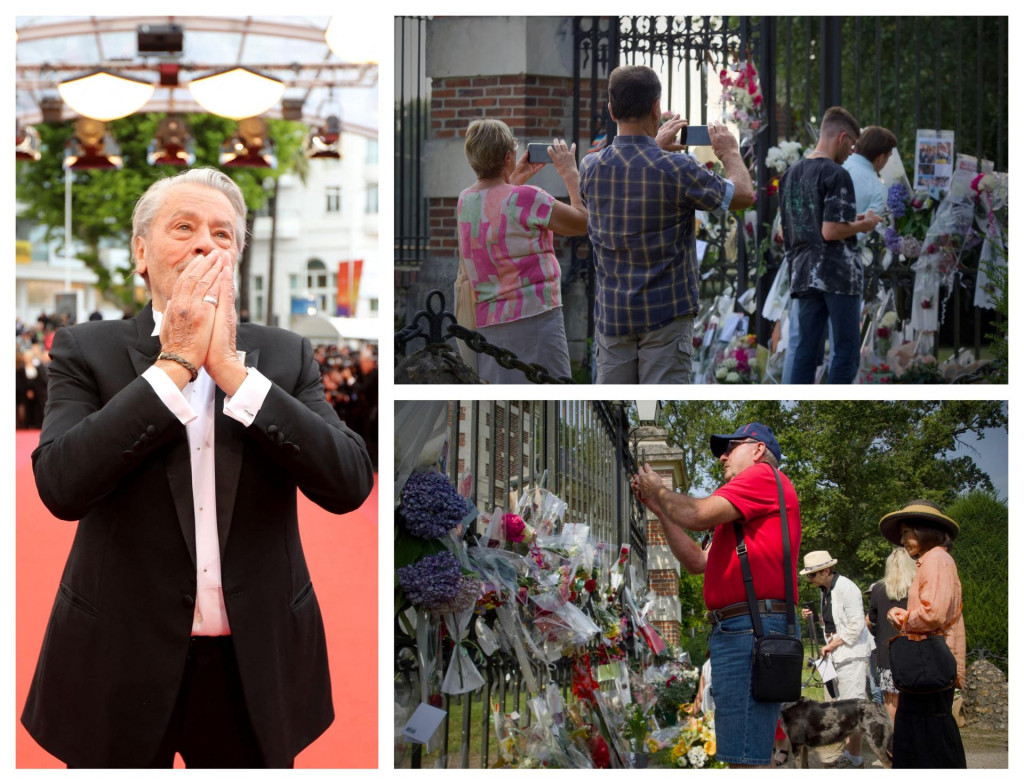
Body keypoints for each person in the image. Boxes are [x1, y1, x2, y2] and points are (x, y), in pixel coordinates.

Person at [22, 167, 375, 768]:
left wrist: (236, 375)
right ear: (141, 252)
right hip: (119, 655)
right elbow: (61, 484)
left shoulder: (285, 354)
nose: (206, 243)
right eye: (183, 227)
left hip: (252, 662)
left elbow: (347, 482)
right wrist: (176, 366)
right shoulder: (86, 350)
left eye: (222, 234)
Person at [632, 422, 800, 767]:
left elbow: (694, 513)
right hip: (743, 627)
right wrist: (661, 510)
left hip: (750, 628)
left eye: (731, 447)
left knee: (744, 758)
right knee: (744, 751)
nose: (722, 456)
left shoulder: (761, 476)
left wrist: (660, 490)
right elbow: (697, 561)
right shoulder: (741, 508)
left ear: (757, 450)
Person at [579, 64, 754, 384]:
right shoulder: (678, 168)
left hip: (613, 316)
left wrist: (653, 146)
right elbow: (743, 196)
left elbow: (630, 176)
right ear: (656, 108)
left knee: (613, 413)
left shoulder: (591, 167)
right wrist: (729, 152)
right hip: (666, 317)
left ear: (611, 110)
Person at [456, 118, 588, 383]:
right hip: (537, 319)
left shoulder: (465, 200)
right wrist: (571, 175)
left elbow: (496, 212)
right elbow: (582, 222)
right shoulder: (527, 197)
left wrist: (511, 178)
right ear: (508, 156)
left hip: (489, 323)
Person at [779, 106, 884, 384]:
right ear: (841, 137)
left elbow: (789, 227)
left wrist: (854, 218)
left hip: (803, 274)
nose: (851, 152)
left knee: (805, 350)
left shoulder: (790, 175)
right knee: (846, 351)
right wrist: (864, 224)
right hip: (838, 275)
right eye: (851, 144)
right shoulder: (836, 174)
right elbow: (830, 230)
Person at [878, 500, 967, 769]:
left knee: (929, 735)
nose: (903, 540)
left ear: (924, 529)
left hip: (932, 664)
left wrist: (902, 617)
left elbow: (933, 613)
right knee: (923, 734)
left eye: (907, 532)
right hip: (929, 664)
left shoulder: (937, 560)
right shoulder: (930, 561)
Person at [800, 550, 874, 768]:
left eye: (812, 575)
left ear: (826, 570)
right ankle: (850, 756)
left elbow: (856, 624)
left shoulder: (847, 588)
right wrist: (817, 619)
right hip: (838, 655)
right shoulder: (826, 590)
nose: (809, 579)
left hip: (851, 654)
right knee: (843, 708)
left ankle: (856, 759)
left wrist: (833, 643)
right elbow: (833, 623)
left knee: (853, 709)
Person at [867, 546, 917, 724]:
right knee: (914, 701)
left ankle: (891, 746)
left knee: (891, 702)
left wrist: (878, 634)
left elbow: (870, 620)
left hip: (887, 652)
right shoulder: (917, 588)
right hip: (914, 651)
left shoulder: (878, 588)